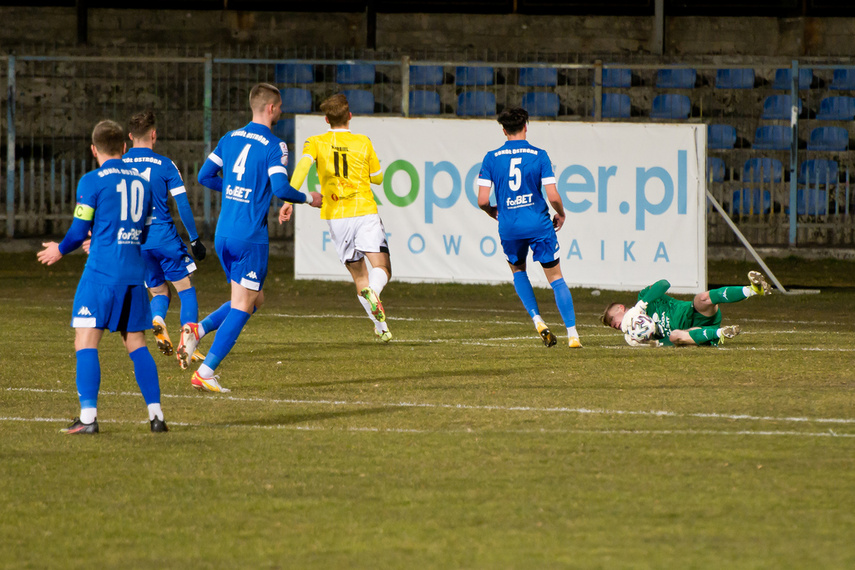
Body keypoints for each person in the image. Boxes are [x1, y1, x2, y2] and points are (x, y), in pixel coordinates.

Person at [181, 83, 322, 392]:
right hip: (249, 237)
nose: (281, 111)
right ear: (271, 108)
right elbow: (281, 188)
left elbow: (204, 175)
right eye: (280, 107)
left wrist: (234, 189)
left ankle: (198, 329)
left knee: (255, 299)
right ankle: (206, 371)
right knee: (243, 306)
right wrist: (310, 198)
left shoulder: (229, 138)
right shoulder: (275, 145)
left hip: (224, 234)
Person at [37, 119, 167, 434]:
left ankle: (88, 418)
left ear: (93, 149)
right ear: (123, 147)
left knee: (85, 339)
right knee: (136, 342)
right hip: (134, 274)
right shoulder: (143, 183)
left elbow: (78, 230)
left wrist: (59, 249)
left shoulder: (91, 181)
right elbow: (142, 231)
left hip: (102, 273)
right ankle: (157, 416)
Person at [278, 93, 391, 342]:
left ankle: (381, 328)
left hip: (337, 217)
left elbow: (302, 168)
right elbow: (378, 178)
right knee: (381, 267)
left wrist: (289, 200)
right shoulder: (363, 142)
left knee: (359, 275)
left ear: (326, 119)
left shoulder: (315, 142)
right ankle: (375, 291)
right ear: (350, 116)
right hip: (364, 211)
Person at [477, 106, 582, 349]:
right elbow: (552, 195)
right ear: (526, 126)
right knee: (556, 278)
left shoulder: (491, 158)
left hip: (510, 226)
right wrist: (561, 213)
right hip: (538, 224)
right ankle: (573, 334)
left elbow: (482, 200)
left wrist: (493, 212)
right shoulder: (539, 155)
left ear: (504, 130)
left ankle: (537, 320)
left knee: (518, 271)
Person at [123, 110, 207, 368]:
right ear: (154, 135)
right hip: (164, 237)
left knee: (159, 290)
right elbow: (182, 204)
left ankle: (157, 318)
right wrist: (194, 239)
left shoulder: (120, 164)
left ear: (130, 136)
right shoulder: (165, 164)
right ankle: (188, 344)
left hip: (137, 242)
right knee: (185, 289)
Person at [600, 271, 773, 347]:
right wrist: (650, 343)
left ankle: (753, 290)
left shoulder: (645, 297)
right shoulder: (637, 334)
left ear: (621, 308)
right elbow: (666, 342)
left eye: (615, 322)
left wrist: (641, 305)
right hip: (690, 332)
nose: (618, 327)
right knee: (675, 335)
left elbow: (664, 284)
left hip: (694, 312)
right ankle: (720, 333)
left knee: (701, 298)